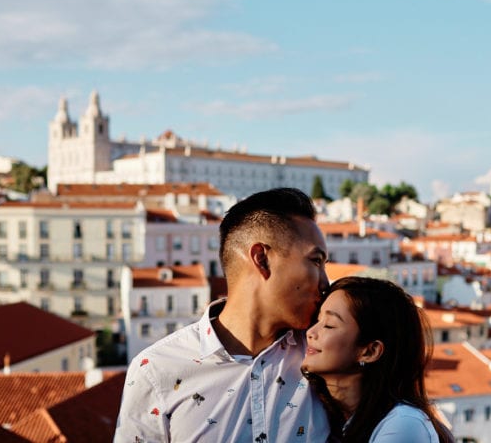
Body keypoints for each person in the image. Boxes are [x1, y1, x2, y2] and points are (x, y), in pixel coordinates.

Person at [114, 187, 332, 442]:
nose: (325, 282)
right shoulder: (156, 371)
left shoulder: (325, 353)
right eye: (316, 261)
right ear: (262, 259)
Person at [302, 277, 454, 443]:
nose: (311, 332)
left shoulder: (404, 425)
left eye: (329, 325)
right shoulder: (329, 416)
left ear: (370, 351)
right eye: (318, 320)